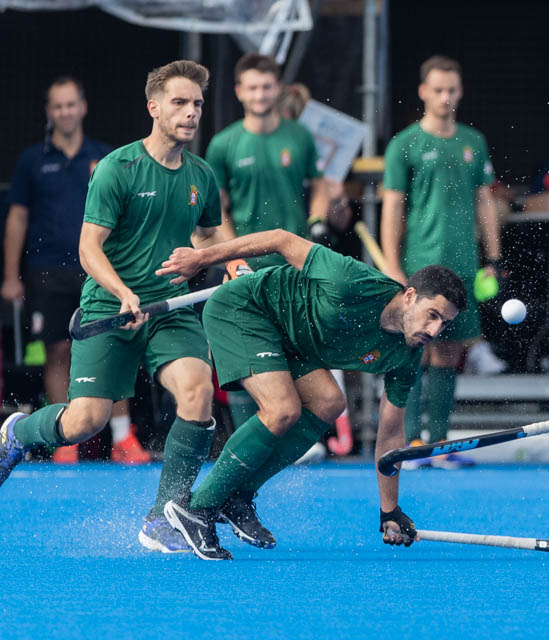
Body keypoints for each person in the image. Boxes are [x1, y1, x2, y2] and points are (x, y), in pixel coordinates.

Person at [0, 61, 224, 555]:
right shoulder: (118, 168)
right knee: (83, 421)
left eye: (197, 103)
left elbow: (209, 232)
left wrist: (224, 261)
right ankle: (18, 434)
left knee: (196, 392)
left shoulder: (201, 174)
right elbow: (89, 249)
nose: (191, 112)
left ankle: (163, 516)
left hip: (168, 310)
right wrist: (123, 292)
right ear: (153, 108)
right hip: (108, 307)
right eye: (179, 102)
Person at [153, 230, 465, 560]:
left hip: (289, 342)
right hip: (245, 309)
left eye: (444, 324)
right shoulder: (352, 281)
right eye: (432, 315)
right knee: (281, 410)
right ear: (409, 295)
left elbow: (389, 436)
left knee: (329, 402)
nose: (434, 331)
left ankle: (238, 496)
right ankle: (197, 509)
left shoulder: (407, 355)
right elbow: (280, 239)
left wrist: (389, 511)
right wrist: (202, 258)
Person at [1, 77, 150, 465]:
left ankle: (121, 437)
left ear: (83, 107)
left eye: (71, 104)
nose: (65, 112)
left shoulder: (106, 158)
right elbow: (17, 218)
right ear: (49, 112)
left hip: (100, 269)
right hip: (46, 270)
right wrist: (9, 274)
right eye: (57, 106)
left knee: (112, 349)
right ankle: (65, 438)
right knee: (57, 351)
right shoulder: (32, 161)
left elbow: (126, 217)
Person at [379, 55, 500, 468]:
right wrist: (393, 265)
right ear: (423, 92)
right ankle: (411, 443)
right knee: (415, 348)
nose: (445, 96)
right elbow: (392, 206)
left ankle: (440, 443)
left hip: (464, 266)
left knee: (449, 353)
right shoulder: (404, 144)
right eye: (438, 89)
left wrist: (494, 256)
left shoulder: (473, 141)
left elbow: (485, 200)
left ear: (460, 92)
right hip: (420, 266)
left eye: (452, 89)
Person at [206, 53, 330, 432]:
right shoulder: (223, 144)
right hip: (245, 273)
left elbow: (321, 186)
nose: (260, 94)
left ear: (278, 89)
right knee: (245, 360)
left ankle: (296, 442)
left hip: (295, 269)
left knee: (300, 352)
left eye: (266, 86)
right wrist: (232, 259)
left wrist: (319, 220)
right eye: (253, 87)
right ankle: (248, 449)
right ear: (239, 91)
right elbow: (215, 213)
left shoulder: (300, 136)